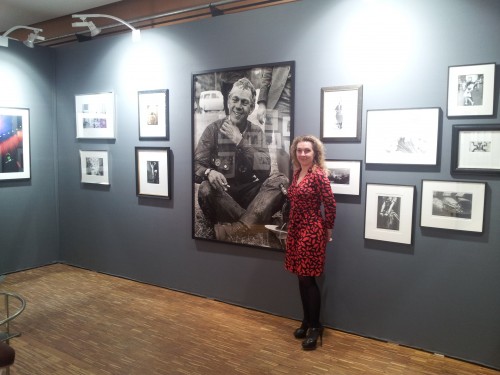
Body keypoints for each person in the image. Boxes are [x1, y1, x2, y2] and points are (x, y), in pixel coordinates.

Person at [194, 77, 288, 241]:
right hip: (223, 196)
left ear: (251, 108)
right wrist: (209, 172)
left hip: (250, 196)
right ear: (228, 101)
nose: (238, 106)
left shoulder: (256, 132)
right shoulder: (212, 130)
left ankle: (238, 228)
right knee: (205, 189)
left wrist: (240, 141)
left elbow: (265, 171)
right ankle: (255, 222)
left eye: (244, 102)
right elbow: (195, 165)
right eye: (235, 100)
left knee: (281, 181)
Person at [285, 135, 336, 350]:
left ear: (315, 153)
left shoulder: (318, 175)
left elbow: (330, 205)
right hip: (295, 230)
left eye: (307, 150)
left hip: (311, 230)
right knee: (300, 277)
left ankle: (316, 326)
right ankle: (306, 321)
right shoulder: (297, 173)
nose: (303, 154)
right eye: (299, 150)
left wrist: (328, 230)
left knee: (308, 278)